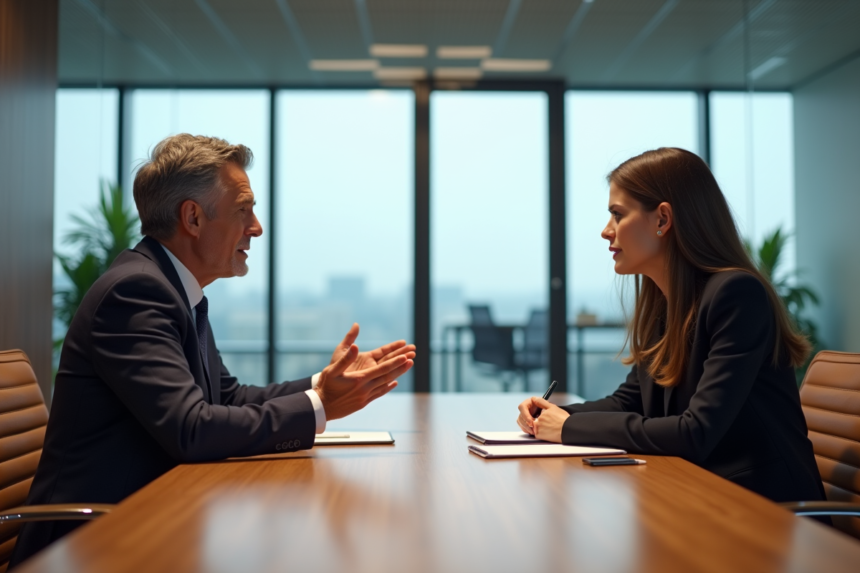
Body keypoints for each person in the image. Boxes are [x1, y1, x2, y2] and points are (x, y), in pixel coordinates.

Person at [10, 134, 415, 567]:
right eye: (244, 209)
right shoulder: (136, 293)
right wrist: (320, 406)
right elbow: (192, 429)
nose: (256, 226)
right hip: (91, 545)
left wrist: (325, 385)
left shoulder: (174, 289)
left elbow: (227, 398)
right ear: (193, 218)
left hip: (150, 524)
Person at [517, 147, 825, 503]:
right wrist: (552, 416)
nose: (606, 231)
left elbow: (696, 432)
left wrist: (569, 428)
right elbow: (630, 402)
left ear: (662, 219)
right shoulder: (666, 303)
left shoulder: (737, 295)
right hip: (702, 493)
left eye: (617, 215)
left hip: (765, 508)